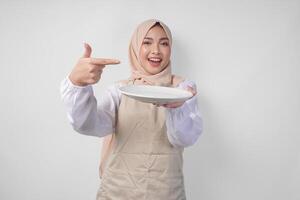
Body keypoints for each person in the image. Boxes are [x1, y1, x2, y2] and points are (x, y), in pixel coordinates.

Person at [60, 19, 203, 200]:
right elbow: (90, 125)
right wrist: (77, 84)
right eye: (147, 42)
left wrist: (178, 107)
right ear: (135, 47)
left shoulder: (183, 89)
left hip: (166, 192)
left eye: (164, 43)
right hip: (117, 191)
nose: (156, 50)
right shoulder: (119, 90)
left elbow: (184, 138)